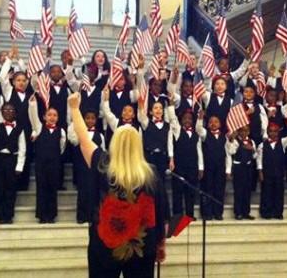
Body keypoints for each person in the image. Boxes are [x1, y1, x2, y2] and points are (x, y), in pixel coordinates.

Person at [68, 92, 166, 278]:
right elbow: (159, 213)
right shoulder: (151, 172)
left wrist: (74, 108)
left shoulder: (102, 164)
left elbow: (84, 140)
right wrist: (161, 244)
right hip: (142, 247)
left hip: (105, 247)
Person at [0, 47, 34, 190]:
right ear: (13, 82)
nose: (21, 82)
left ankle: (23, 184)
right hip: (12, 130)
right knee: (13, 157)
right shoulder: (9, 93)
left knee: (26, 156)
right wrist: (9, 59)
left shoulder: (30, 95)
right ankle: (12, 184)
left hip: (27, 130)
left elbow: (34, 115)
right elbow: (2, 77)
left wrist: (20, 59)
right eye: (18, 80)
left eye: (23, 80)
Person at [28, 96, 66, 223]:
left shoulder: (61, 131)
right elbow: (33, 117)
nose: (52, 117)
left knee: (52, 189)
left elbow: (62, 147)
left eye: (55, 115)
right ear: (44, 117)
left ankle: (51, 215)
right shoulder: (39, 128)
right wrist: (33, 104)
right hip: (41, 164)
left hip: (54, 164)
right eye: (49, 115)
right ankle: (42, 215)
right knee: (42, 189)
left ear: (58, 117)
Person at [68, 109, 105, 224]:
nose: (90, 120)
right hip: (82, 166)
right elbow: (72, 139)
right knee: (82, 192)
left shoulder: (100, 135)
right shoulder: (79, 134)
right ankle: (81, 215)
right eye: (87, 118)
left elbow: (103, 151)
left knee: (94, 192)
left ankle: (92, 215)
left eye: (92, 118)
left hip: (95, 168)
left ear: (96, 120)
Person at [256, 123, 287, 219]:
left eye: (275, 131)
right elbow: (259, 159)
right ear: (267, 132)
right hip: (267, 173)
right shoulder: (262, 145)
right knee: (266, 193)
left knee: (279, 193)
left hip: (279, 173)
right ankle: (266, 212)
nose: (273, 133)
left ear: (278, 132)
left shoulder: (282, 142)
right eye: (271, 131)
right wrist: (260, 172)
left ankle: (278, 213)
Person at [168, 105, 203, 218]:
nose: (187, 120)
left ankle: (189, 214)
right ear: (181, 120)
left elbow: (199, 152)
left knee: (190, 192)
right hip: (179, 167)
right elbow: (173, 119)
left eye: (190, 119)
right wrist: (171, 106)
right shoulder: (178, 131)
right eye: (185, 118)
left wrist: (200, 167)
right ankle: (177, 214)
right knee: (177, 191)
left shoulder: (196, 135)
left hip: (192, 167)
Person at [196, 111, 227, 220]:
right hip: (208, 167)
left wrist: (228, 169)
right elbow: (199, 130)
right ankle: (207, 213)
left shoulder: (224, 137)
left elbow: (227, 153)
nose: (213, 124)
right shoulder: (205, 134)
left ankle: (218, 212)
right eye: (211, 122)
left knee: (219, 190)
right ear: (207, 124)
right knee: (207, 189)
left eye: (216, 122)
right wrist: (200, 119)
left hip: (220, 167)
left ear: (220, 124)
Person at [226, 125, 257, 220]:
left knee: (247, 191)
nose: (244, 133)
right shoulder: (236, 141)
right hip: (239, 168)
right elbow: (231, 151)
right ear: (239, 132)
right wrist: (231, 140)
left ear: (249, 132)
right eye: (242, 131)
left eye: (246, 131)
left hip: (248, 168)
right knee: (238, 191)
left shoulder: (251, 141)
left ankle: (246, 212)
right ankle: (238, 212)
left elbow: (255, 156)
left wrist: (252, 149)